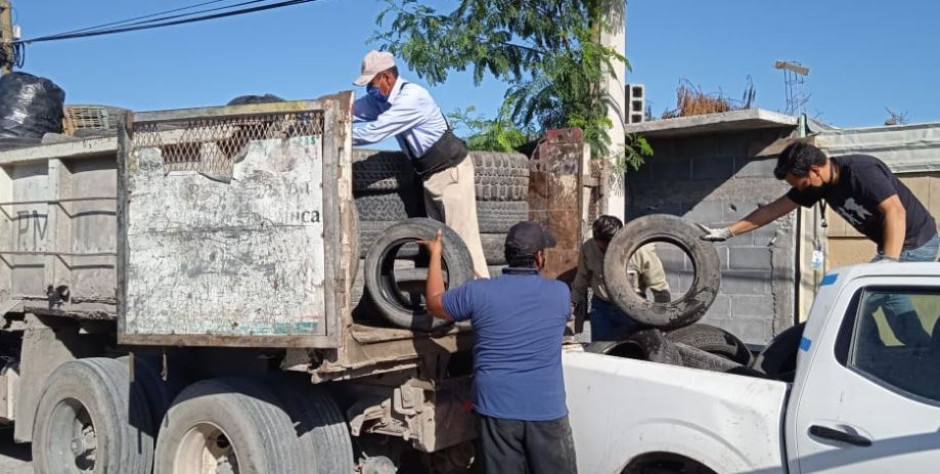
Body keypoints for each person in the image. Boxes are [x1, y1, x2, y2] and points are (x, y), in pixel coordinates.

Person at [699, 141, 939, 343]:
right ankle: (880, 354)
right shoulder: (818, 185)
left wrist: (889, 263)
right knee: (860, 305)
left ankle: (921, 354)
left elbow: (895, 211)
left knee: (879, 297)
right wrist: (727, 232)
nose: (800, 190)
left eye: (800, 184)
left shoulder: (861, 171)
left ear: (814, 171)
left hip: (916, 241)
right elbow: (773, 209)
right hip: (894, 247)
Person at [419, 222, 577, 474]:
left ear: (507, 255)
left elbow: (434, 304)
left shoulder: (478, 293)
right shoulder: (559, 294)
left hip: (495, 406)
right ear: (539, 257)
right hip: (545, 407)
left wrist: (436, 254)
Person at [352, 49, 489, 278]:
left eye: (372, 85)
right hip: (429, 175)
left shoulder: (412, 97)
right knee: (442, 246)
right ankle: (455, 304)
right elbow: (350, 110)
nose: (370, 91)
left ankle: (481, 304)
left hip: (450, 173)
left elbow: (374, 132)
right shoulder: (382, 100)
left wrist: (333, 133)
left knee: (463, 246)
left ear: (387, 77)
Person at [570, 215, 671, 342]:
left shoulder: (641, 250)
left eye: (612, 246)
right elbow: (582, 278)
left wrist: (662, 321)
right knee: (601, 352)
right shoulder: (588, 248)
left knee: (631, 352)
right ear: (596, 241)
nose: (608, 252)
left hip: (633, 308)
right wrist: (572, 303)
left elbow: (660, 288)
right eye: (603, 249)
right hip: (602, 308)